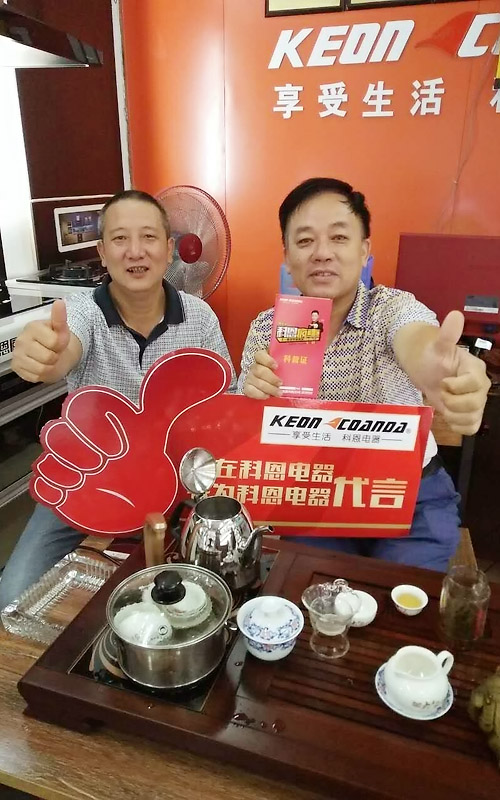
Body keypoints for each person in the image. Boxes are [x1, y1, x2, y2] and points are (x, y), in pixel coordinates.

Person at [239, 177, 490, 571]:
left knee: (399, 598)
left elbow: (417, 339)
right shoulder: (267, 329)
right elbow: (248, 434)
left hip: (409, 495)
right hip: (316, 494)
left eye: (339, 238)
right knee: (314, 591)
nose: (322, 253)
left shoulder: (392, 309)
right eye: (305, 241)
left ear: (364, 250)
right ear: (287, 256)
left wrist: (437, 368)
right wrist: (252, 398)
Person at [0, 189, 235, 609]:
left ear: (169, 249)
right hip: (89, 479)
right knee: (12, 596)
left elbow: (225, 399)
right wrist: (48, 357)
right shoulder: (83, 313)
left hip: (179, 479)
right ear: (102, 253)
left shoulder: (199, 317)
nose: (135, 251)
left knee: (208, 588)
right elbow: (64, 350)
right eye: (120, 238)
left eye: (148, 237)